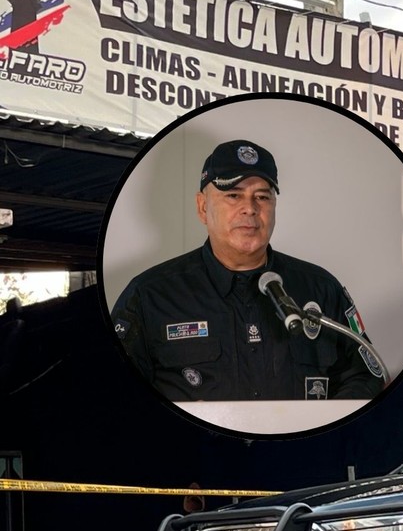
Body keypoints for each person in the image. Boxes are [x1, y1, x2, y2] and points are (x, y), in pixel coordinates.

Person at [111, 139, 383, 402]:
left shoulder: (320, 289)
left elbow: (368, 376)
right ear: (203, 207)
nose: (250, 209)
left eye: (262, 197)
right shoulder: (150, 295)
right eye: (233, 195)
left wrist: (323, 429)